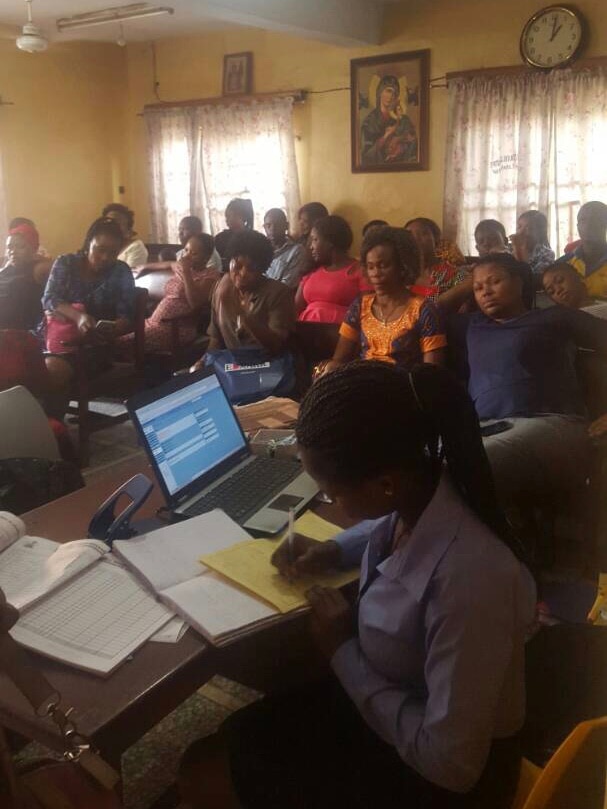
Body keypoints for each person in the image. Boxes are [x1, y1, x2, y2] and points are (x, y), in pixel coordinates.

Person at [179, 361, 535, 809]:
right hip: (395, 695)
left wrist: (341, 649)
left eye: (331, 492)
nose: (329, 500)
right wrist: (335, 550)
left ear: (384, 483)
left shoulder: (473, 579)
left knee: (208, 775)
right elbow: (389, 523)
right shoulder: (426, 487)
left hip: (439, 778)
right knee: (224, 741)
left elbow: (451, 764)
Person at [461, 251, 607, 509]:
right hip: (484, 428)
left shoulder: (554, 317)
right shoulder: (474, 325)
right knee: (420, 467)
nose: (485, 292)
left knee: (467, 468)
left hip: (550, 422)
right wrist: (474, 277)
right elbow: (432, 310)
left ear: (519, 283)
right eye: (478, 288)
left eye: (495, 281)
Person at [323, 226, 446, 372]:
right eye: (370, 267)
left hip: (404, 388)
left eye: (383, 266)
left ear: (403, 267)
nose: (375, 273)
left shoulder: (423, 310)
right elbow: (339, 359)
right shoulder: (361, 305)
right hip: (362, 384)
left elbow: (432, 373)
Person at [43, 217, 136, 391]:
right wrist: (78, 317)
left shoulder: (121, 271)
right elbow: (49, 298)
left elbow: (127, 316)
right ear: (88, 244)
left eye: (113, 253)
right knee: (17, 364)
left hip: (92, 347)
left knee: (51, 370)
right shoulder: (66, 263)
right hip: (50, 337)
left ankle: (51, 418)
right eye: (100, 250)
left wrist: (114, 327)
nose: (105, 258)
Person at [190, 230, 295, 368]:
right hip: (234, 367)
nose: (243, 273)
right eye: (238, 266)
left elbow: (276, 346)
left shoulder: (279, 293)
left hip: (270, 367)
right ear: (230, 262)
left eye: (252, 268)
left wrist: (247, 319)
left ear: (262, 269)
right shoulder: (222, 290)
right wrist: (203, 362)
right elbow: (215, 339)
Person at [119, 233, 219, 354]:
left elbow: (195, 303)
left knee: (121, 344)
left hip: (177, 328)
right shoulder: (182, 266)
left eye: (194, 254)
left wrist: (186, 273)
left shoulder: (210, 275)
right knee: (115, 338)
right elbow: (169, 263)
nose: (186, 256)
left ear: (206, 257)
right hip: (153, 322)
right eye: (186, 250)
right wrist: (145, 266)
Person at [296, 215, 369, 323]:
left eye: (315, 240)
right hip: (305, 332)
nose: (311, 246)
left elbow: (368, 311)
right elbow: (297, 307)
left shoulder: (360, 270)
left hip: (343, 334)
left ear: (330, 242)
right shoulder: (312, 271)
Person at [405, 217, 468, 299]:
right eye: (410, 235)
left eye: (423, 233)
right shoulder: (401, 275)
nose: (416, 238)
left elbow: (462, 308)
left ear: (436, 238)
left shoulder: (456, 275)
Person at [361, 75, 417, 166]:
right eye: (388, 91)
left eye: (394, 93)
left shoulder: (403, 120)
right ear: (380, 92)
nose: (391, 96)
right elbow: (365, 156)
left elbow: (413, 143)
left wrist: (401, 147)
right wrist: (385, 137)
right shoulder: (370, 121)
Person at [0, 223, 46, 330]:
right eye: (10, 247)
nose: (13, 252)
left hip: (14, 331)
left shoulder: (37, 269)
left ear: (33, 248)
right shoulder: (5, 269)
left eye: (20, 246)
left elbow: (59, 265)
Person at [558, 201, 607, 298]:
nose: (589, 225)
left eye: (595, 219)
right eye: (583, 220)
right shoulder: (564, 263)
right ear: (578, 227)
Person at [542, 262, 607, 318]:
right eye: (551, 292)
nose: (558, 290)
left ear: (579, 276)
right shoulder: (560, 322)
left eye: (560, 280)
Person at [263, 208, 307, 288]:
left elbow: (286, 285)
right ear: (264, 228)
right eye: (268, 225)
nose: (272, 229)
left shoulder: (297, 251)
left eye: (277, 225)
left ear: (286, 226)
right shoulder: (259, 250)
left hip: (279, 297)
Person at [102, 203, 149, 269]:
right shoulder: (102, 247)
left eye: (117, 222)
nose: (111, 226)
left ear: (128, 227)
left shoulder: (136, 248)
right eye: (108, 222)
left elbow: (127, 277)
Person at [510, 210, 555, 276]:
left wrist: (522, 250)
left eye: (529, 228)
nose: (521, 232)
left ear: (540, 233)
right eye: (519, 227)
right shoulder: (509, 249)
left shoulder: (546, 254)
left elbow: (532, 278)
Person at [214, 199, 255, 268]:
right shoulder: (220, 238)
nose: (226, 220)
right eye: (226, 217)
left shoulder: (254, 239)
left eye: (229, 216)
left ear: (243, 217)